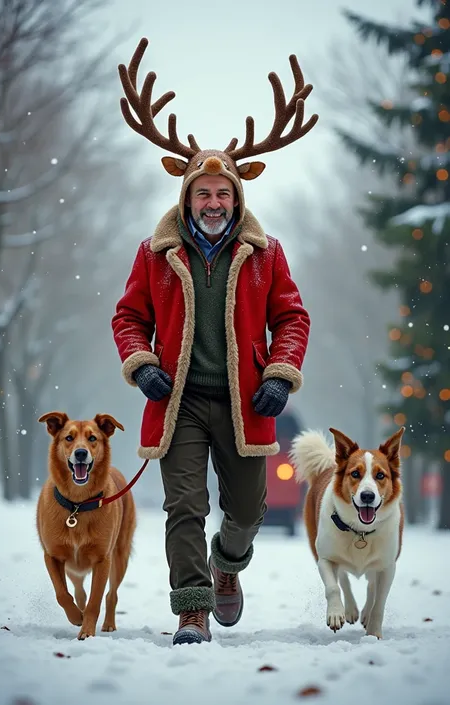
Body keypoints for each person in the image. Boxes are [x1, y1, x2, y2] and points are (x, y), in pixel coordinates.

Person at [111, 38, 318, 645]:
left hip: (245, 401)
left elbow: (294, 317)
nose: (213, 202)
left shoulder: (266, 255)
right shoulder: (155, 254)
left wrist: (280, 374)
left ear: (237, 197)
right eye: (203, 193)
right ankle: (193, 609)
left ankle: (228, 567)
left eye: (223, 193)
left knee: (249, 509)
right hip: (177, 402)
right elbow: (127, 317)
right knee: (184, 507)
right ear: (186, 197)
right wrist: (141, 364)